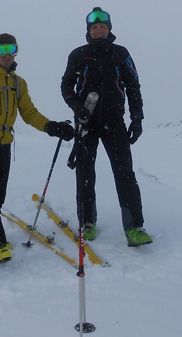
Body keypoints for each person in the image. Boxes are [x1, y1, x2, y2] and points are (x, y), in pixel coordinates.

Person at [0, 33, 75, 264]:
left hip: (4, 145)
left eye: (11, 49)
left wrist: (51, 127)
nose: (7, 55)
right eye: (2, 50)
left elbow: (29, 113)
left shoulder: (18, 83)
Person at [61, 7, 152, 247]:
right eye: (94, 27)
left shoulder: (121, 54)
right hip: (86, 121)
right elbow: (66, 86)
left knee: (125, 173)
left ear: (109, 29)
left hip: (114, 121)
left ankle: (134, 227)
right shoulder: (78, 54)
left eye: (102, 26)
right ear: (89, 31)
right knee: (85, 173)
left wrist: (137, 117)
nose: (98, 29)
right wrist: (77, 107)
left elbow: (133, 86)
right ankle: (87, 222)